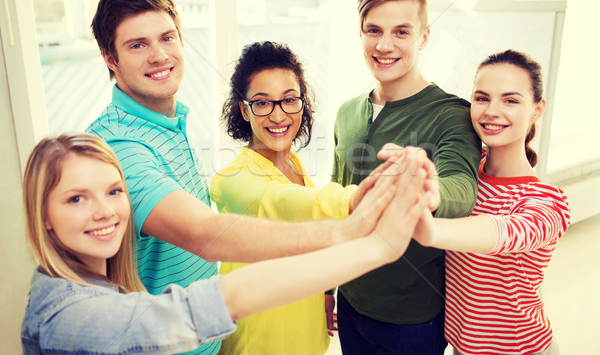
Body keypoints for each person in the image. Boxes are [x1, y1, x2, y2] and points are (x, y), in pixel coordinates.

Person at [85, 0, 388, 355]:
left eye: (167, 38)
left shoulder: (170, 125)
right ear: (110, 58)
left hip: (205, 339)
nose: (159, 55)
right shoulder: (118, 147)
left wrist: (326, 289)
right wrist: (357, 211)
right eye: (137, 44)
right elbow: (205, 232)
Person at [20, 132, 428, 355]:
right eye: (76, 198)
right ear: (44, 219)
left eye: (113, 192)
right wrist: (367, 239)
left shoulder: (92, 282)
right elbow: (219, 299)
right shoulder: (64, 317)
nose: (104, 211)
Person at [330, 0, 482, 354]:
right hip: (349, 298)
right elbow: (334, 203)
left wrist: (430, 188)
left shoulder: (452, 115)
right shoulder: (348, 112)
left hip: (411, 317)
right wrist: (327, 289)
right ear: (360, 33)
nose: (384, 45)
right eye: (373, 30)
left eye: (401, 32)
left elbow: (460, 188)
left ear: (424, 37)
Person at [211, 41, 379, 354]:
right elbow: (283, 201)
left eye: (289, 100)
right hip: (258, 343)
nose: (278, 116)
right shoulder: (232, 180)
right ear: (244, 110)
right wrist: (357, 199)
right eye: (262, 103)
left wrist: (326, 291)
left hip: (306, 341)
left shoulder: (294, 166)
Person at [408, 49, 571, 355]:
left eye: (510, 100)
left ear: (537, 109)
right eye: (482, 98)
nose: (491, 111)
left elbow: (502, 232)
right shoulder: (464, 175)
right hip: (461, 347)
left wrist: (430, 228)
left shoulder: (548, 201)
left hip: (521, 349)